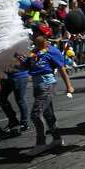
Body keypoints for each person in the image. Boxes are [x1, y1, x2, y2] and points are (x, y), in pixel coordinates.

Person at [23, 24, 74, 156]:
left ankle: (40, 144)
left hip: (47, 86)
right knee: (48, 114)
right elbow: (27, 68)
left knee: (35, 114)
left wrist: (69, 86)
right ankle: (57, 139)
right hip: (37, 87)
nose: (33, 36)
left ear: (44, 36)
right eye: (33, 33)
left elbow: (62, 69)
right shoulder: (33, 52)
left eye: (36, 33)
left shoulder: (52, 51)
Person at [0, 55, 29, 135]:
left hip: (19, 76)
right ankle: (13, 121)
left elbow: (24, 62)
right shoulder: (1, 48)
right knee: (1, 98)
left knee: (20, 99)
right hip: (6, 77)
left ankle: (24, 123)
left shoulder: (17, 47)